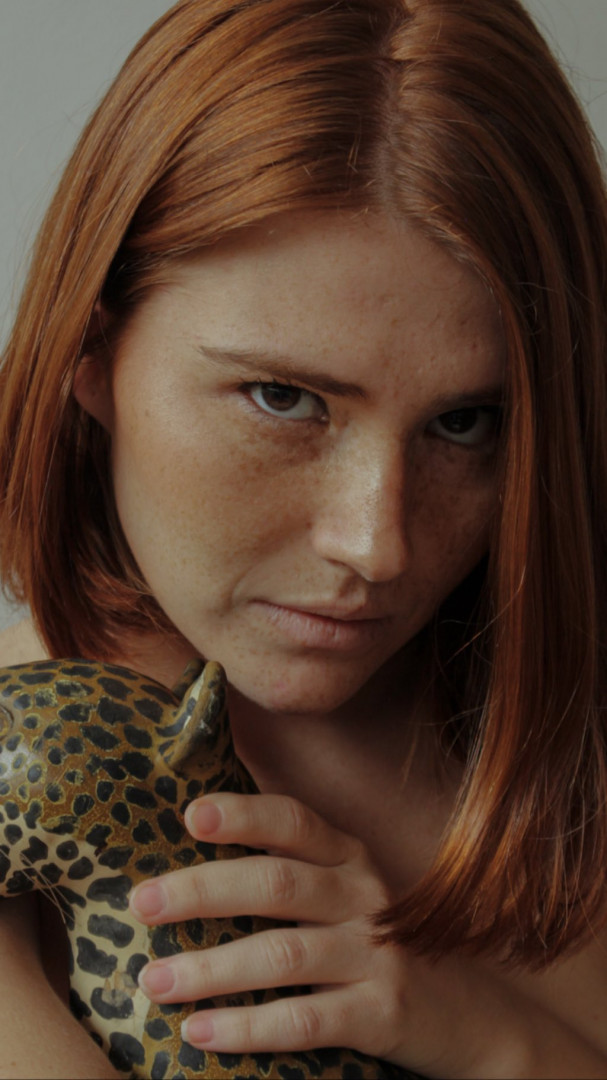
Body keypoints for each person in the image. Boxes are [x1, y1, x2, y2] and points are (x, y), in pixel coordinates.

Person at [0, 0, 606, 1076]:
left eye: (465, 423)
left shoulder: (570, 740)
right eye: (283, 399)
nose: (376, 546)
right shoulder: (34, 778)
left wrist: (496, 1040)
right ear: (91, 354)